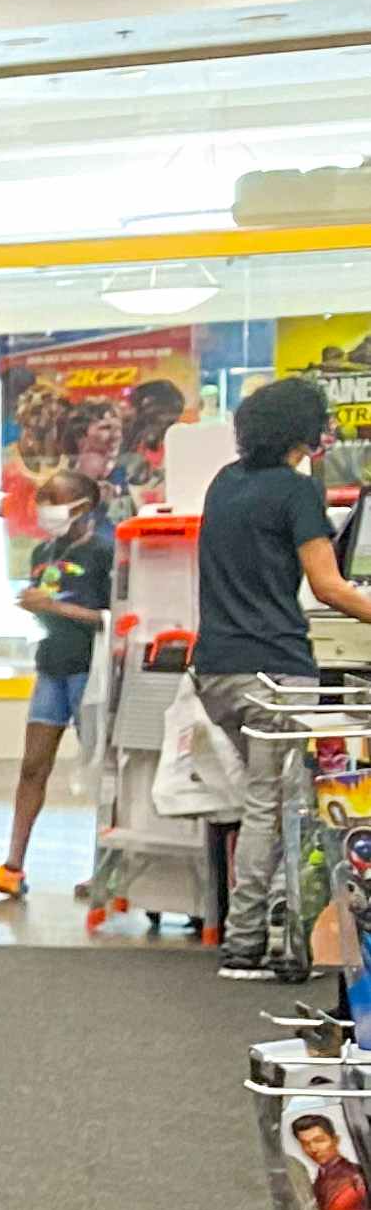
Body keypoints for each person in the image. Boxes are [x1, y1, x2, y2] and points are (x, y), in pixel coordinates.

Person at [193, 375, 371, 976]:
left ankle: (279, 925)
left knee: (273, 798)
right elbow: (328, 585)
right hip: (272, 668)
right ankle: (247, 944)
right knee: (274, 805)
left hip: (215, 670)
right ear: (305, 430)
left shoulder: (224, 483)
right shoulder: (296, 492)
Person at [0, 464, 113, 900]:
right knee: (32, 767)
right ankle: (12, 867)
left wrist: (59, 608)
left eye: (54, 500)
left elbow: (117, 619)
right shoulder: (42, 554)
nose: (45, 509)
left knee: (103, 772)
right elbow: (50, 605)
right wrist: (38, 607)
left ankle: (106, 868)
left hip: (92, 669)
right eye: (42, 500)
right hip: (52, 666)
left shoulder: (105, 553)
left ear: (83, 507)